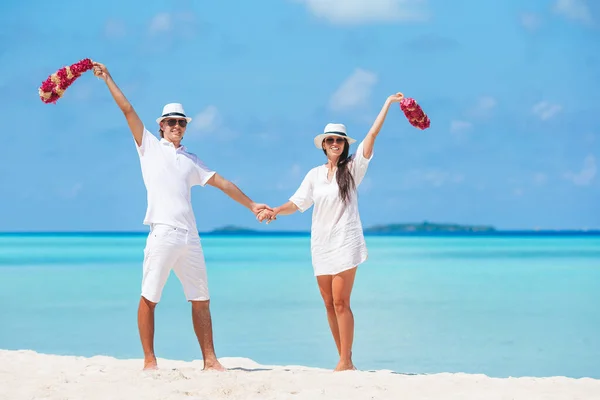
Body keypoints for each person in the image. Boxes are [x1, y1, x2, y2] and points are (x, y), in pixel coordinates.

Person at [92, 61, 272, 371]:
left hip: (190, 237)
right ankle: (150, 360)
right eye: (171, 122)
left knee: (201, 298)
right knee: (150, 297)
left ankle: (210, 361)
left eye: (181, 122)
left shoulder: (191, 159)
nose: (176, 126)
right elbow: (128, 111)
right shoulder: (148, 146)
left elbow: (222, 183)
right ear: (161, 125)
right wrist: (108, 79)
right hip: (162, 232)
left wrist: (253, 205)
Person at [257, 93, 405, 371]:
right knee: (327, 303)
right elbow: (297, 203)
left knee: (340, 301)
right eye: (330, 140)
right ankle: (343, 358)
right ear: (323, 145)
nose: (335, 143)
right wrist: (275, 210)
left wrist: (386, 104)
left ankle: (345, 360)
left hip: (345, 242)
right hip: (321, 245)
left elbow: (372, 135)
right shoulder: (314, 175)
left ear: (345, 145)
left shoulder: (352, 169)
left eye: (339, 140)